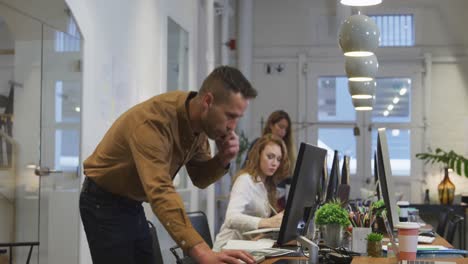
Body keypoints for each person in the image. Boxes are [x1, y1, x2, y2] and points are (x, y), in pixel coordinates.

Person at [79, 66, 258, 264]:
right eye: (230, 116)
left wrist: (222, 158)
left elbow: (199, 177)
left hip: (131, 203)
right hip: (102, 202)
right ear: (208, 101)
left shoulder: (198, 125)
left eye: (237, 118)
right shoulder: (154, 123)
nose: (232, 126)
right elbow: (160, 190)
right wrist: (203, 253)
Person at [213, 134, 290, 251]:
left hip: (245, 248)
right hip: (226, 249)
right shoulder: (245, 180)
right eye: (270, 157)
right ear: (258, 156)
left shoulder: (267, 185)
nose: (275, 163)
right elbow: (231, 218)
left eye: (278, 159)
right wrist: (267, 222)